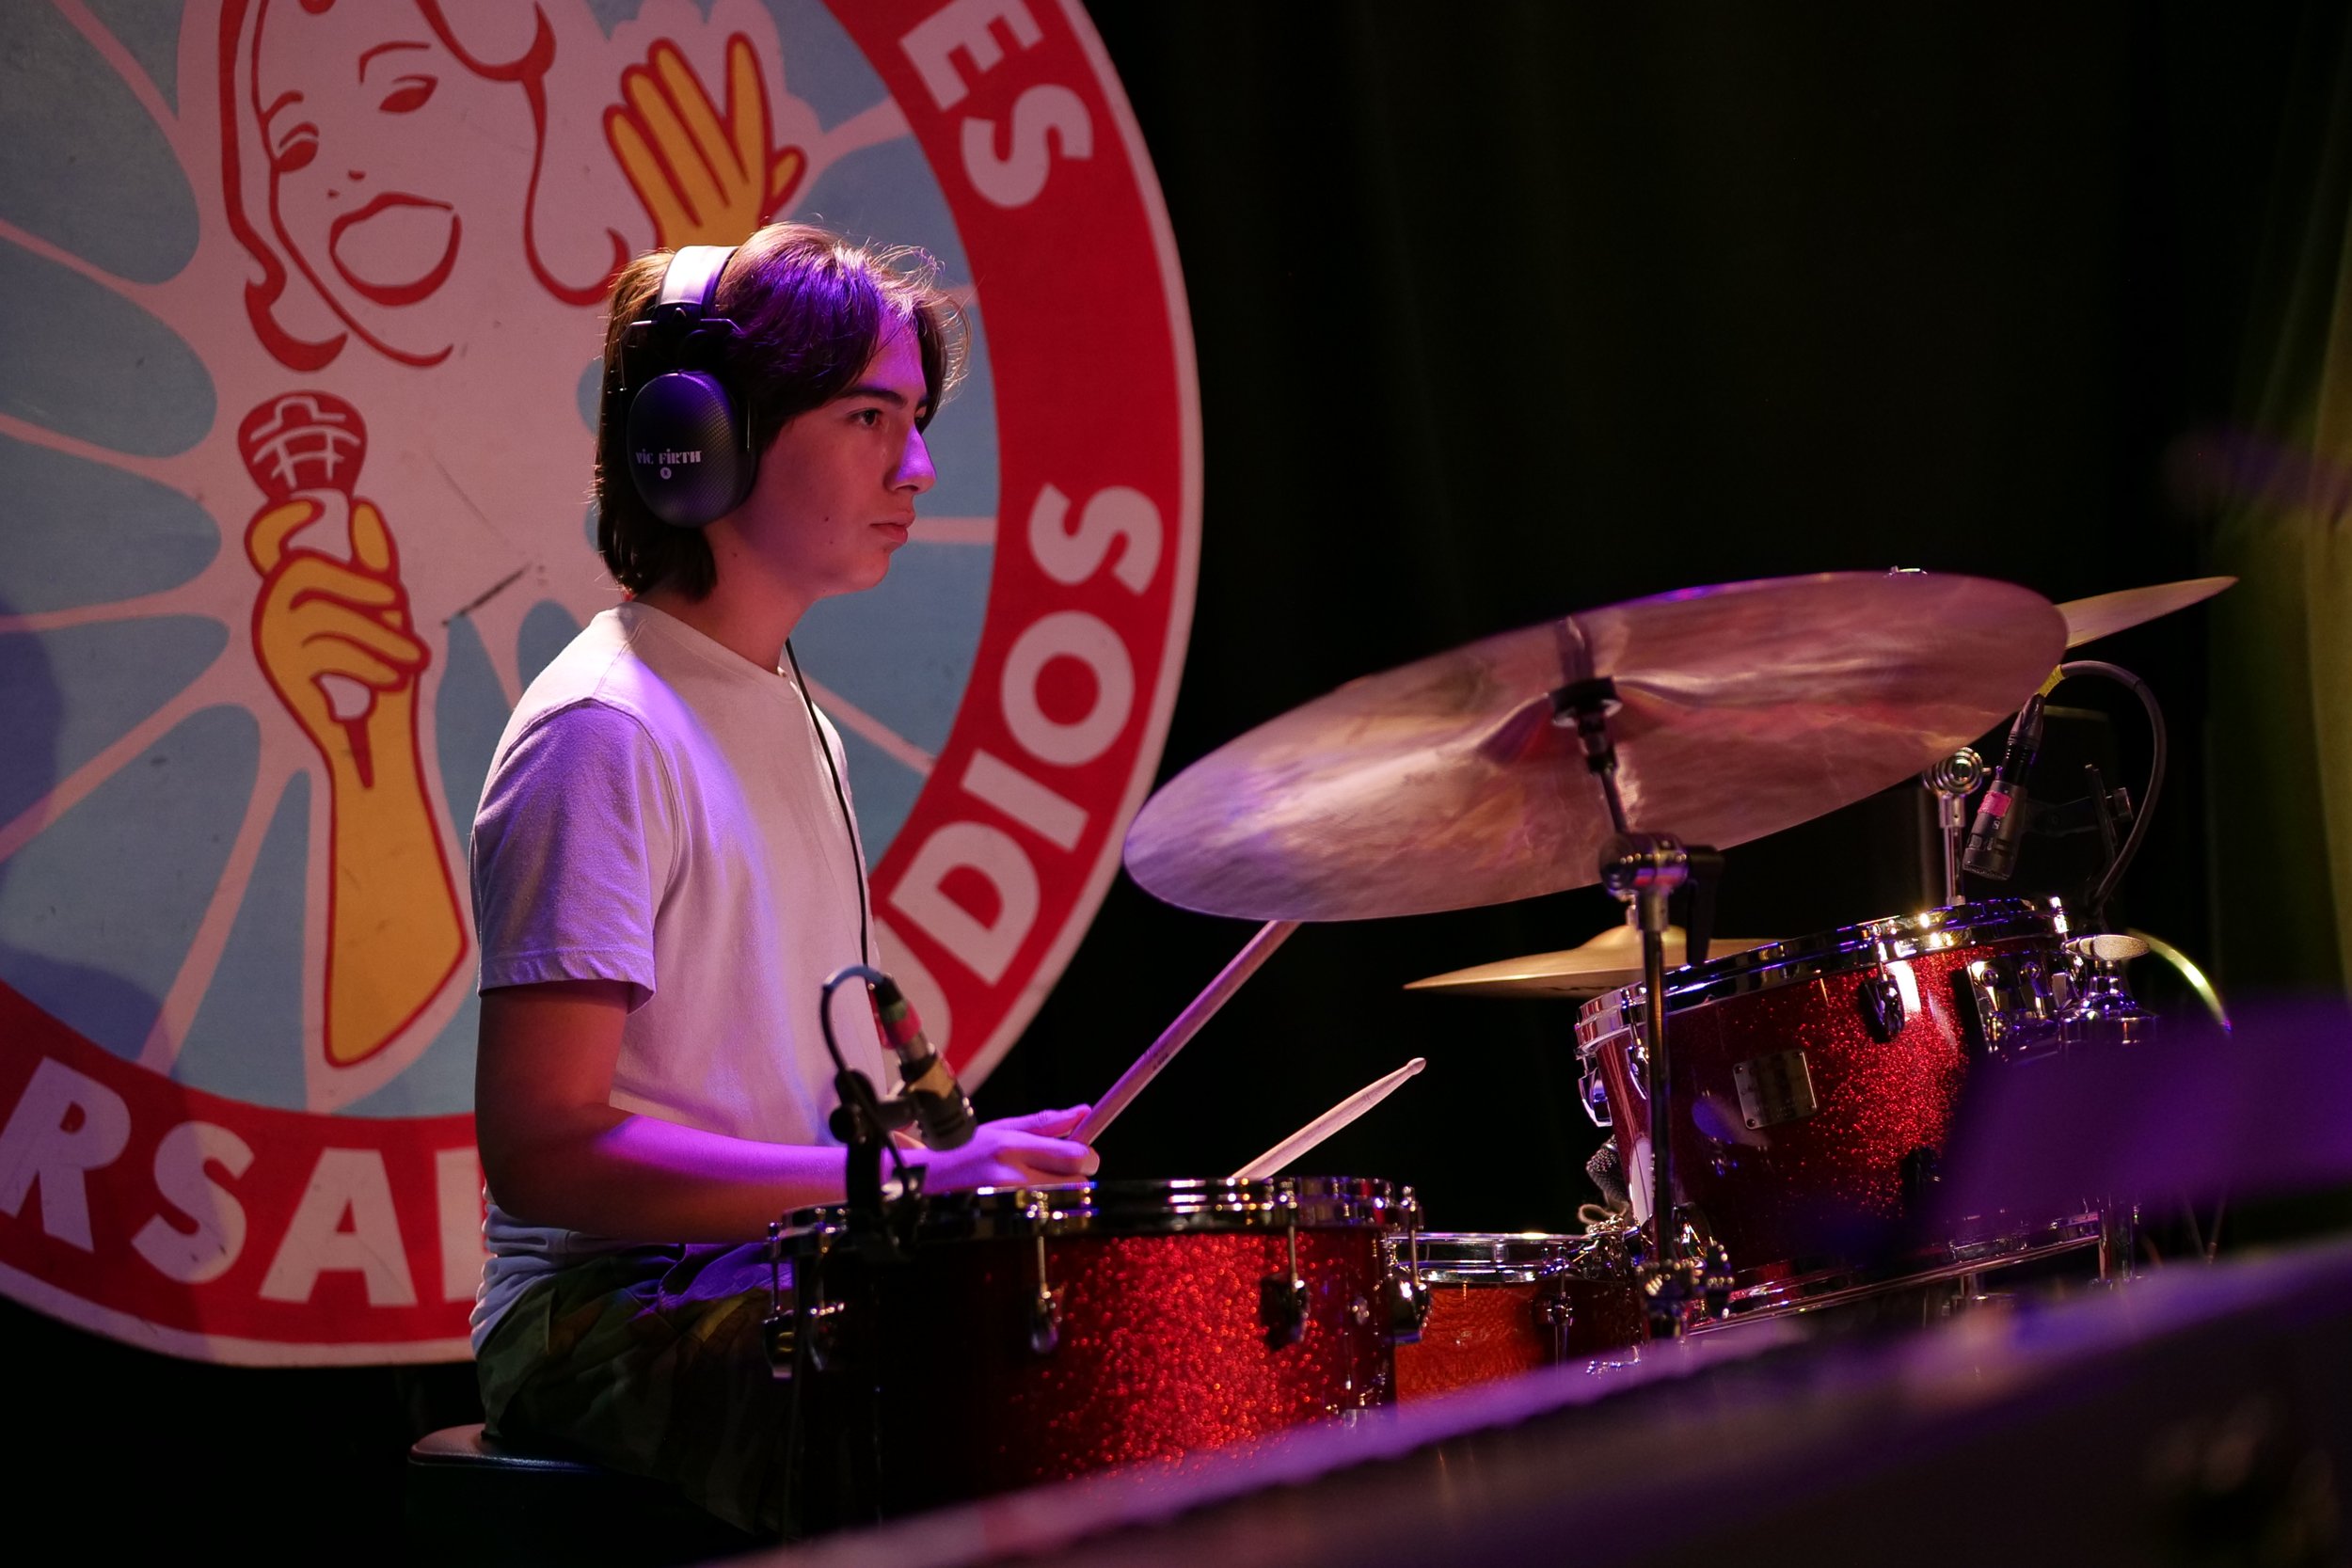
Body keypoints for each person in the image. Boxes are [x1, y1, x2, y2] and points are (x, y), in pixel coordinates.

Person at [467, 222, 1097, 1536]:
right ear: (705, 442)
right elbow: (544, 1149)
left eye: (914, 421)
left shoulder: (798, 722)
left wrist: (957, 1170)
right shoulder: (604, 731)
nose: (917, 466)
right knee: (950, 1406)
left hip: (763, 1273)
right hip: (602, 1314)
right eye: (870, 417)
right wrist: (911, 1185)